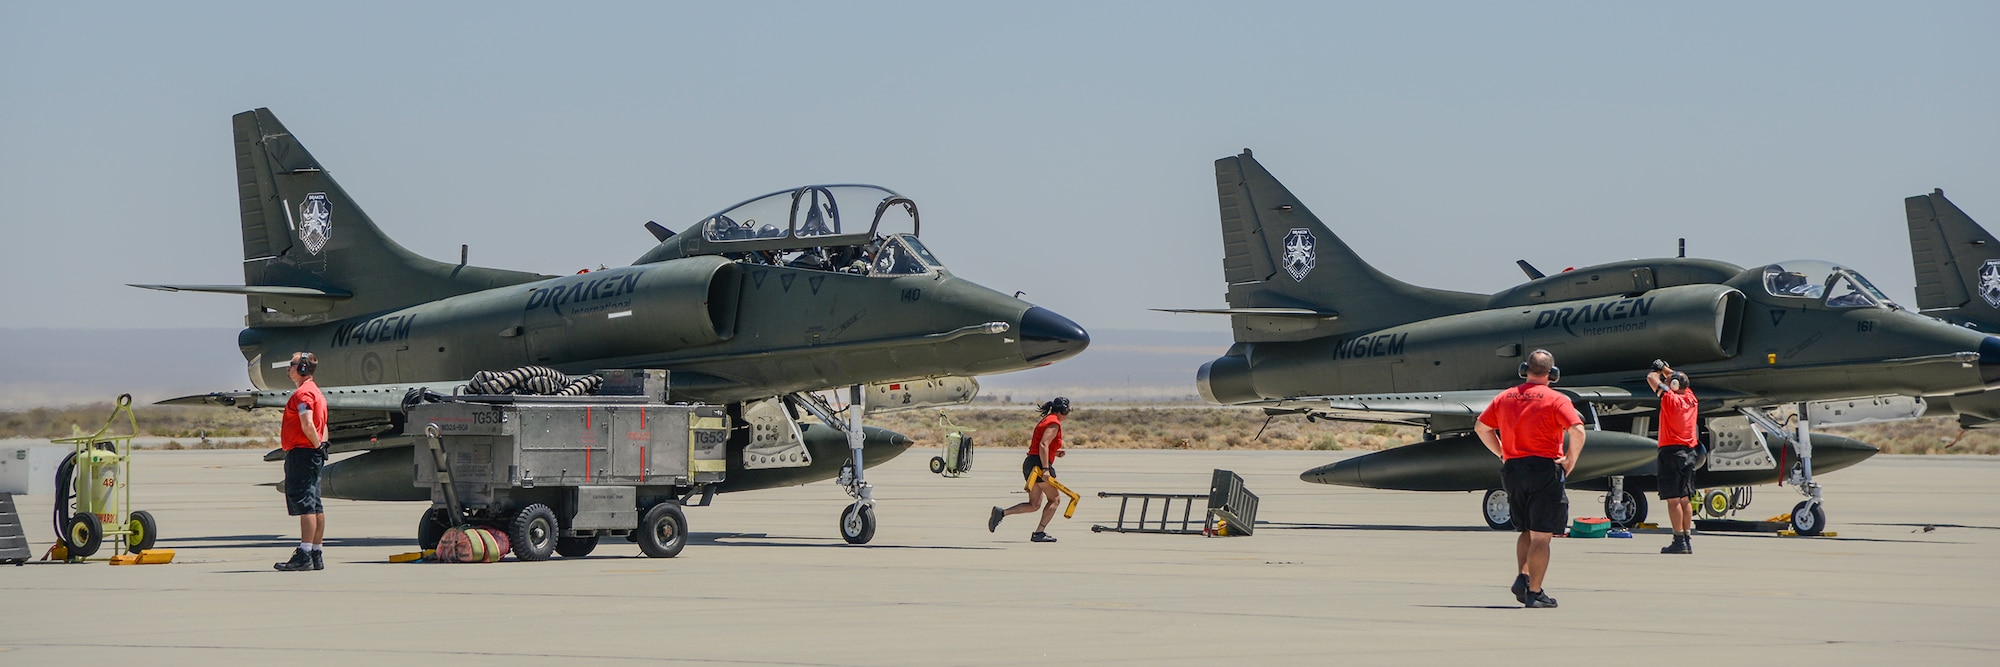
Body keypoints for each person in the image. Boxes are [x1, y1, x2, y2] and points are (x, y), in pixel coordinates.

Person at [1475, 349, 1585, 608]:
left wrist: (1502, 452)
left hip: (1514, 471)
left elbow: (1481, 427)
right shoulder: (1556, 399)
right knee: (1541, 536)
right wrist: (1570, 460)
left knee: (1525, 529)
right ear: (1552, 374)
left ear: (1525, 369)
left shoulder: (1505, 397)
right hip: (1543, 470)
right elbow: (1578, 430)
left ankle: (1524, 578)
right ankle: (1534, 593)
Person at [274, 352, 330, 572]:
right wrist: (322, 445)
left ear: (303, 369)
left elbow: (307, 425)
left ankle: (304, 554)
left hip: (302, 453)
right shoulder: (317, 393)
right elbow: (323, 424)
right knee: (315, 503)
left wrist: (315, 445)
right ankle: (316, 552)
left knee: (306, 503)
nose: (288, 368)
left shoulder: (303, 394)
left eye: (292, 364)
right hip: (313, 453)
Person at [989, 397, 1070, 542]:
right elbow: (1043, 445)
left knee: (1034, 505)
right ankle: (1039, 533)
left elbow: (1042, 446)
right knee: (1055, 500)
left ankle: (1001, 513)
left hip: (1030, 463)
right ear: (1062, 410)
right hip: (1039, 466)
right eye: (1068, 411)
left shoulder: (1046, 420)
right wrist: (1045, 469)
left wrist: (1055, 452)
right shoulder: (1053, 423)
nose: (1068, 414)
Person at [1648, 361, 1699, 554]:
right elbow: (1680, 379)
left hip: (1671, 452)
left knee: (1673, 499)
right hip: (1689, 452)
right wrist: (1665, 370)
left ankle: (1678, 540)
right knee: (1685, 498)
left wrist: (1655, 371)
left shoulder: (1670, 399)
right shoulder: (1691, 397)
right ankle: (1686, 537)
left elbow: (1650, 379)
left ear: (1675, 385)